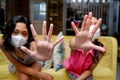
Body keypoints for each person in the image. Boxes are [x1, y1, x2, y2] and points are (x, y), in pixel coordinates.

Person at [0, 15, 64, 80]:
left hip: (33, 63)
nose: (19, 37)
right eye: (16, 32)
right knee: (24, 78)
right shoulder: (3, 43)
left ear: (29, 35)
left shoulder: (31, 43)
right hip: (16, 65)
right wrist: (41, 75)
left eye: (24, 33)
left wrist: (42, 53)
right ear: (9, 32)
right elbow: (19, 66)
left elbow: (35, 48)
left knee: (34, 77)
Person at [63, 12, 106, 80]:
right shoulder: (77, 41)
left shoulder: (100, 48)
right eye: (91, 24)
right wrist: (77, 43)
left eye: (96, 24)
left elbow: (90, 70)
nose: (94, 26)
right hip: (72, 70)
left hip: (86, 72)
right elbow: (72, 45)